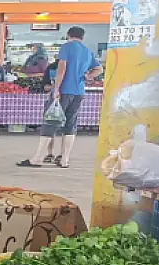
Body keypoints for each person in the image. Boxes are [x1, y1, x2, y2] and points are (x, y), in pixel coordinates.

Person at [19, 25, 101, 169]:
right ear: (82, 37)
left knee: (51, 121)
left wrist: (56, 88)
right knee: (70, 125)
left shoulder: (67, 47)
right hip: (79, 92)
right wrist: (87, 76)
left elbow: (61, 68)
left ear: (68, 35)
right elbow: (99, 68)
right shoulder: (87, 51)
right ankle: (65, 160)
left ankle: (38, 158)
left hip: (64, 90)